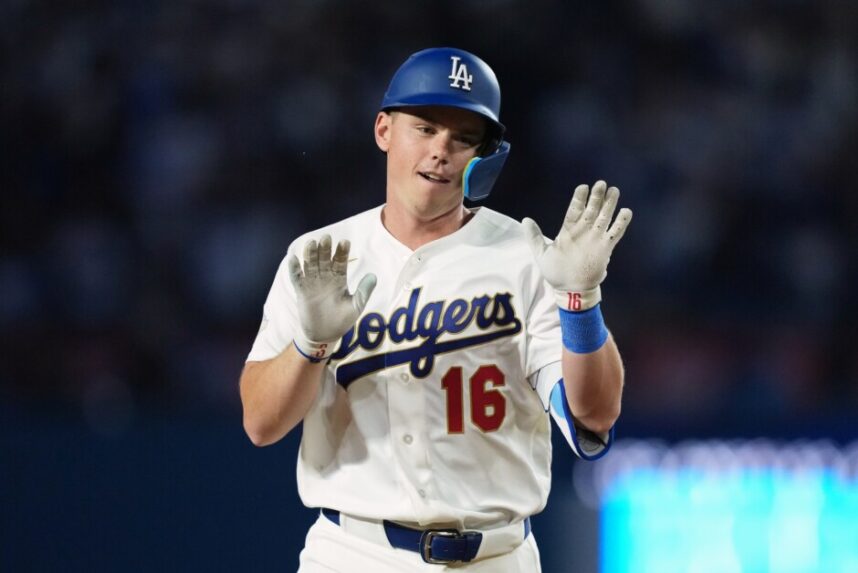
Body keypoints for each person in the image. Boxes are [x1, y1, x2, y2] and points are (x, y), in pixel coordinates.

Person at [240, 47, 632, 572]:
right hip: (354, 553)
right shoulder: (321, 257)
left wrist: (581, 302)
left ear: (485, 155)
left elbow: (594, 413)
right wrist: (309, 346)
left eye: (463, 137)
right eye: (424, 127)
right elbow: (261, 424)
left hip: (496, 555)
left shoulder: (529, 257)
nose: (441, 150)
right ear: (384, 130)